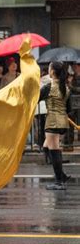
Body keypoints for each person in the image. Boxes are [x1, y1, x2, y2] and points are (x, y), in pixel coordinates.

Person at [39, 62, 71, 190]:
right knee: (46, 147)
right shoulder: (66, 88)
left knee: (54, 150)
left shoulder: (48, 87)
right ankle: (61, 175)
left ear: (52, 72)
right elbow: (68, 109)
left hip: (52, 121)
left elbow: (34, 99)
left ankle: (59, 182)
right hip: (63, 121)